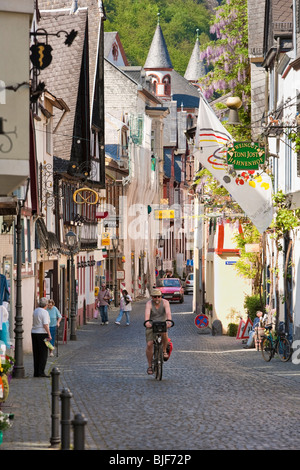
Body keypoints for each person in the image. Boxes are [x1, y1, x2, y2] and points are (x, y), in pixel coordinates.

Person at [144, 288, 173, 375]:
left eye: (159, 297)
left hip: (162, 324)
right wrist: (147, 323)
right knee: (149, 344)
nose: (157, 299)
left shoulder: (165, 303)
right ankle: (150, 365)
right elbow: (147, 315)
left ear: (161, 297)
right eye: (155, 297)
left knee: (164, 334)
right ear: (152, 297)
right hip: (152, 325)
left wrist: (169, 322)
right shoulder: (149, 304)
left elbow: (168, 314)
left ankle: (164, 351)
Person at [31, 297, 51, 377]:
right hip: (42, 333)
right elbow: (45, 324)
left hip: (34, 332)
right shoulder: (45, 312)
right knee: (43, 353)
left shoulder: (35, 310)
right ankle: (41, 372)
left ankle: (36, 372)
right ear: (46, 305)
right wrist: (49, 334)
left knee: (36, 353)